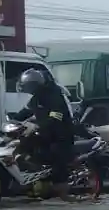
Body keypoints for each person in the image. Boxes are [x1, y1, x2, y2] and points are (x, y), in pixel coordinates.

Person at [12, 68, 76, 199]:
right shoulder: (36, 98)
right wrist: (12, 120)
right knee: (27, 146)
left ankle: (62, 190)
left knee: (57, 156)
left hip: (60, 134)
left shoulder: (54, 95)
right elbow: (25, 111)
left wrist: (39, 126)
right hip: (45, 133)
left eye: (29, 86)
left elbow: (55, 117)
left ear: (36, 85)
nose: (27, 89)